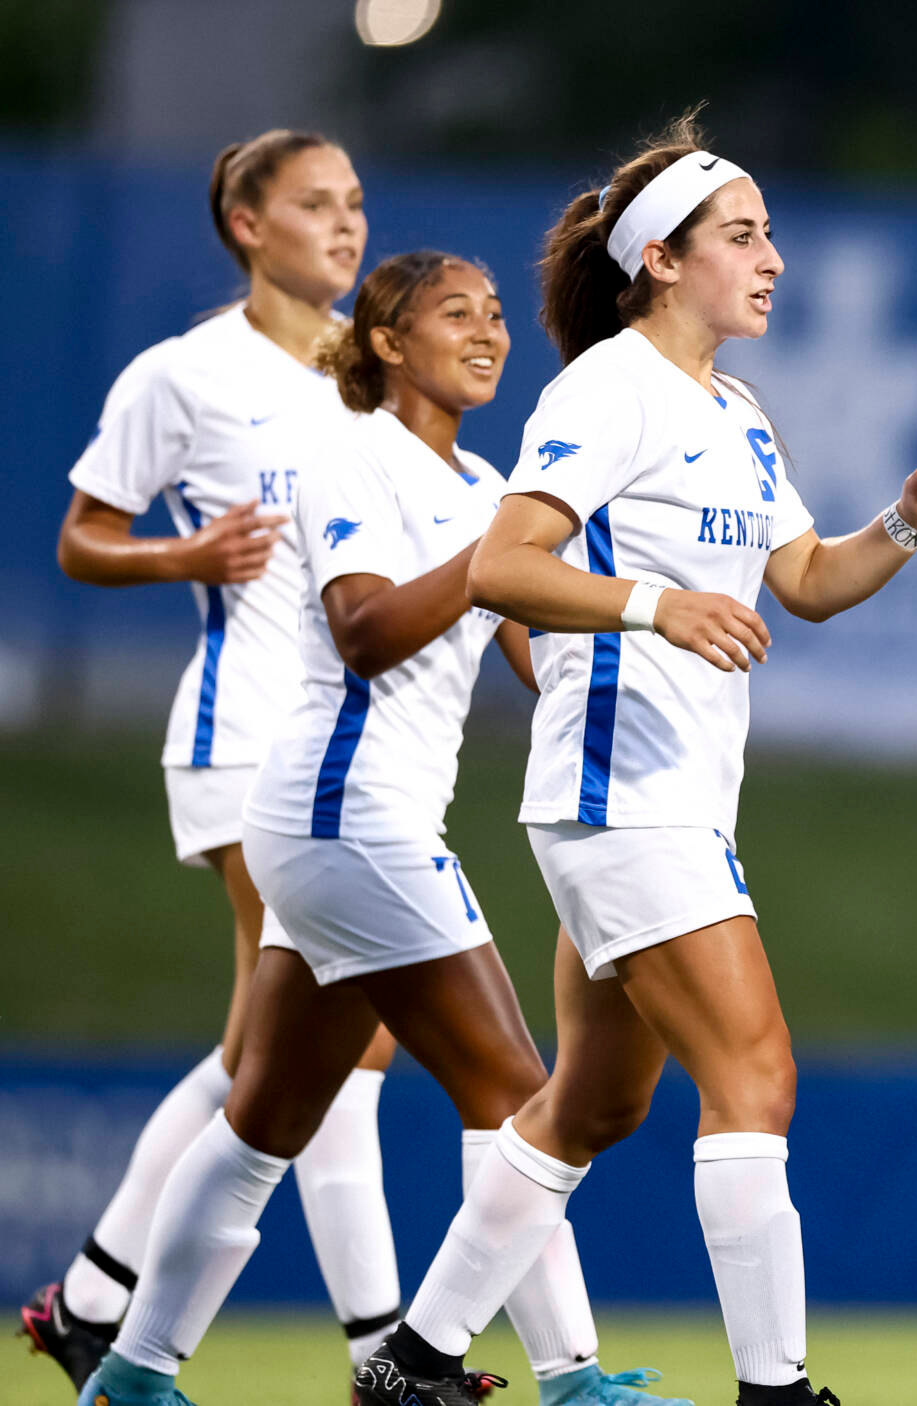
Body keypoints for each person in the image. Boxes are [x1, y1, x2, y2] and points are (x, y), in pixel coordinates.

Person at [352, 116, 917, 1406]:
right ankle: (777, 1388)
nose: (772, 260)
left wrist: (904, 527)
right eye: (742, 237)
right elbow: (503, 564)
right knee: (756, 1071)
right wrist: (656, 604)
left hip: (665, 794)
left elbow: (804, 582)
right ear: (658, 258)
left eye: (768, 235)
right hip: (617, 791)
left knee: (588, 1107)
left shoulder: (738, 408)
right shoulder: (607, 386)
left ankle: (412, 1364)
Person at [75, 251, 689, 1406]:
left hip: (341, 825)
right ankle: (567, 1379)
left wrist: (637, 641)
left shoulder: (488, 480)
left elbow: (529, 652)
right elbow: (362, 627)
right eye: (457, 313)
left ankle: (131, 1372)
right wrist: (493, 559)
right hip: (348, 817)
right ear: (388, 342)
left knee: (265, 1114)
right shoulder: (350, 452)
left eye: (499, 314)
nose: (490, 331)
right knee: (516, 1092)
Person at [29, 128, 402, 1389]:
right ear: (246, 224)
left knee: (266, 1046)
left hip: (353, 740)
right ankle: (382, 1347)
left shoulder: (378, 369)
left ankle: (92, 1296)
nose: (345, 227)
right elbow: (85, 537)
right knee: (342, 1037)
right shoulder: (184, 375)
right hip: (241, 730)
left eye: (354, 203)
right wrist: (181, 556)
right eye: (314, 204)